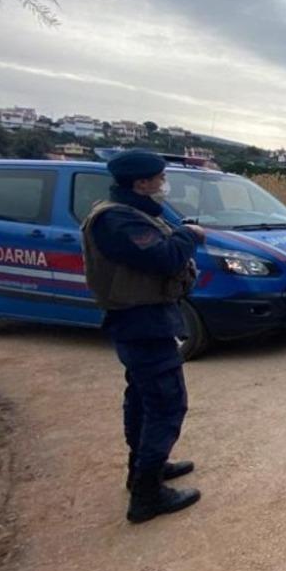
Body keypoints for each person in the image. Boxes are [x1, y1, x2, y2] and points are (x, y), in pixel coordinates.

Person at [81, 150, 205, 523]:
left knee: (143, 397)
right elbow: (164, 257)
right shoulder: (116, 219)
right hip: (140, 321)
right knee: (166, 404)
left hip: (145, 317)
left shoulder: (132, 211)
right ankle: (148, 495)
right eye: (160, 178)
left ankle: (144, 470)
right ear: (141, 182)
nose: (163, 184)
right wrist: (189, 235)